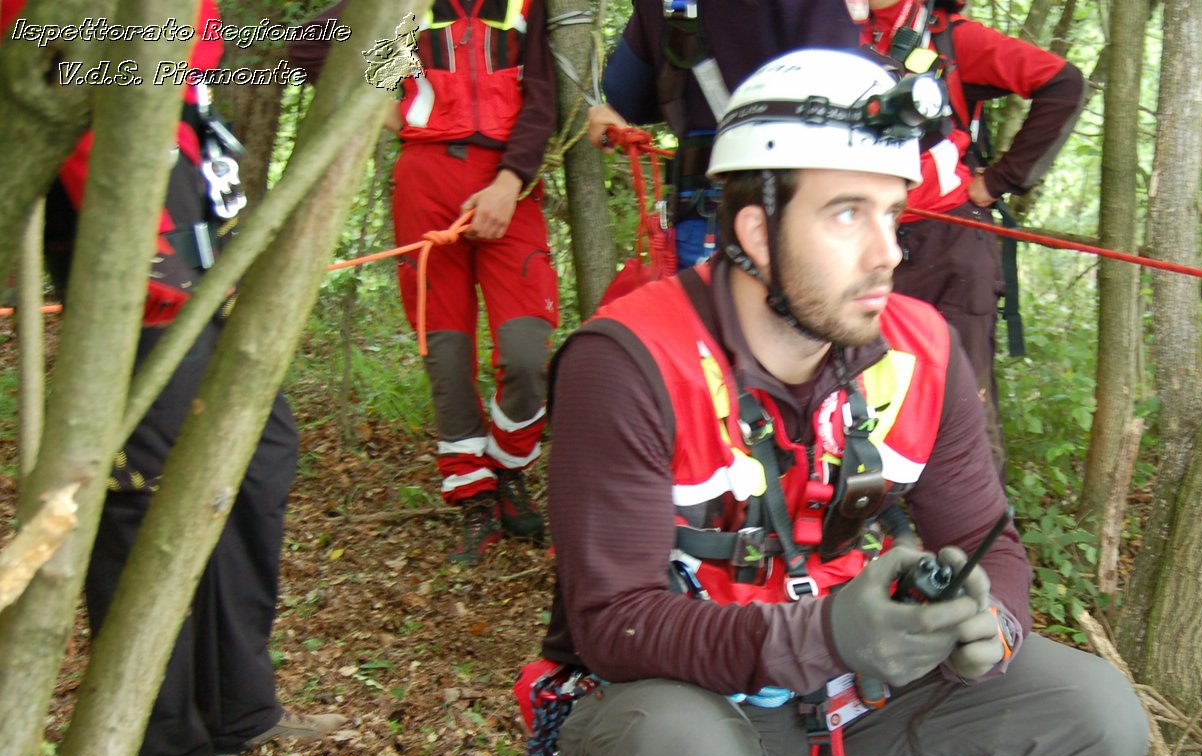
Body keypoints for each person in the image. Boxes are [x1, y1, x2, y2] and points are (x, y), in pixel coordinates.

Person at [541, 49, 1147, 756]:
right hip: (681, 706)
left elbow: (989, 539)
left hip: (849, 697)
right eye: (844, 214)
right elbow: (612, 620)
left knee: (1091, 717)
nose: (887, 253)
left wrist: (983, 621)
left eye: (891, 212)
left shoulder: (918, 351)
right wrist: (820, 632)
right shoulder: (629, 363)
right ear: (751, 230)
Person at [1, 0, 347, 756]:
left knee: (259, 459)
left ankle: (236, 706)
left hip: (201, 245)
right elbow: (58, 72)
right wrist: (140, 246)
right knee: (146, 508)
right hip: (132, 257)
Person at [292, 1, 560, 563]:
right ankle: (475, 496)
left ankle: (509, 466)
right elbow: (308, 44)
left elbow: (542, 98)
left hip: (509, 183)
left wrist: (510, 183)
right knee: (445, 348)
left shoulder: (525, 5)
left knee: (526, 352)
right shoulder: (400, 4)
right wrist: (385, 98)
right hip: (425, 178)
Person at [862, 0, 1086, 475]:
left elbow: (1063, 83)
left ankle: (976, 542)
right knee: (861, 400)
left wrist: (999, 180)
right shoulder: (832, 31)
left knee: (961, 400)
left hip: (949, 245)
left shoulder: (952, 38)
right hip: (860, 240)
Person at [584, 1, 862, 269]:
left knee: (706, 315)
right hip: (798, 208)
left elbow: (625, 94)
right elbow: (847, 93)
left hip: (700, 210)